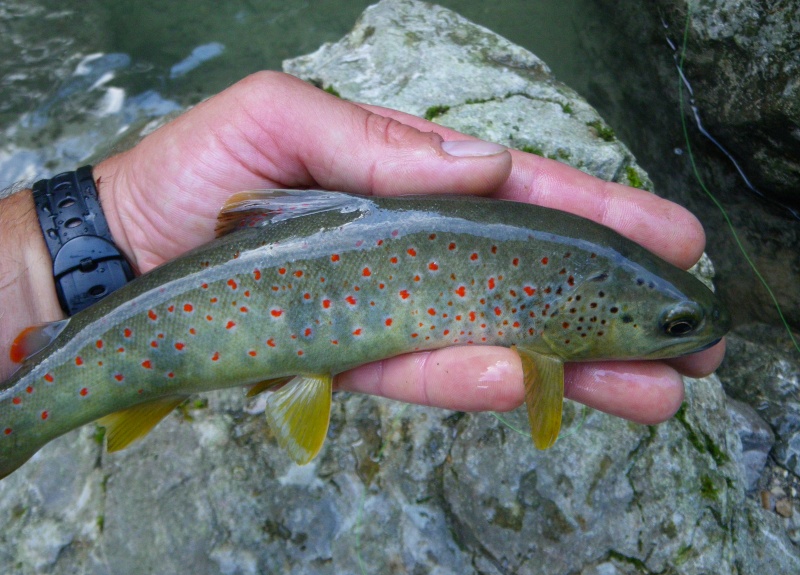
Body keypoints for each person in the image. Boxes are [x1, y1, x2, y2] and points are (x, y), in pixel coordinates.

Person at [0, 71, 724, 424]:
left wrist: (56, 263)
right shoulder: (552, 304)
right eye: (673, 326)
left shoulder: (559, 301)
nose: (682, 333)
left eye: (673, 324)